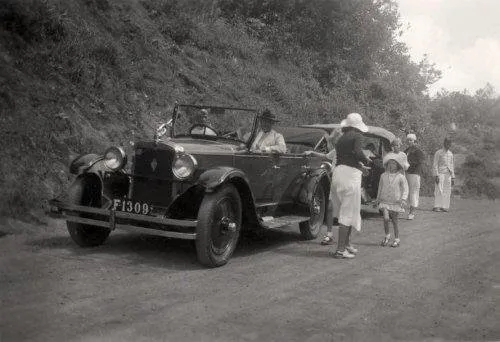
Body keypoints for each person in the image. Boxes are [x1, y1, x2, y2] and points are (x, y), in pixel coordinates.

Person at [330, 112, 371, 259]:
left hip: (338, 174)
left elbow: (347, 158)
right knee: (347, 213)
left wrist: (360, 166)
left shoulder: (341, 138)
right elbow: (357, 152)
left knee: (344, 210)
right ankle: (341, 250)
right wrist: (366, 161)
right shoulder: (358, 136)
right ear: (357, 126)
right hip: (350, 177)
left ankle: (346, 245)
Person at [303, 128, 343, 245]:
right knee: (330, 208)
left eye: (337, 141)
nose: (335, 143)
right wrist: (312, 152)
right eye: (334, 141)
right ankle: (329, 234)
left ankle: (344, 239)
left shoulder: (347, 153)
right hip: (335, 183)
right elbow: (325, 156)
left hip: (345, 184)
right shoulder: (335, 151)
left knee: (344, 212)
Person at [377, 153, 409, 248]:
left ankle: (397, 239)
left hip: (395, 202)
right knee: (386, 218)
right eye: (390, 163)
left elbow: (405, 188)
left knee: (395, 221)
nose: (391, 165)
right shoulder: (383, 175)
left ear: (398, 165)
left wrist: (403, 199)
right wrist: (377, 199)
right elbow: (380, 187)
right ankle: (387, 236)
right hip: (384, 201)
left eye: (394, 163)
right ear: (387, 165)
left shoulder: (400, 177)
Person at [404, 133, 425, 220]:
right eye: (408, 140)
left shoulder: (418, 151)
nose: (409, 141)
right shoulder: (406, 151)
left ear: (414, 141)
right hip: (407, 173)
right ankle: (407, 209)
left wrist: (409, 164)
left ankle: (412, 212)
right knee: (406, 191)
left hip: (415, 173)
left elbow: (420, 161)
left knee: (413, 192)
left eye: (411, 140)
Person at [433, 138, 455, 212]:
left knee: (447, 190)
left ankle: (445, 206)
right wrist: (436, 175)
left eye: (450, 143)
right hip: (440, 173)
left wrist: (453, 177)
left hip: (448, 174)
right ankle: (437, 206)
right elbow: (435, 164)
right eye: (447, 143)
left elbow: (452, 165)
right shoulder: (438, 152)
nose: (449, 145)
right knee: (439, 189)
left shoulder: (450, 154)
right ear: (444, 143)